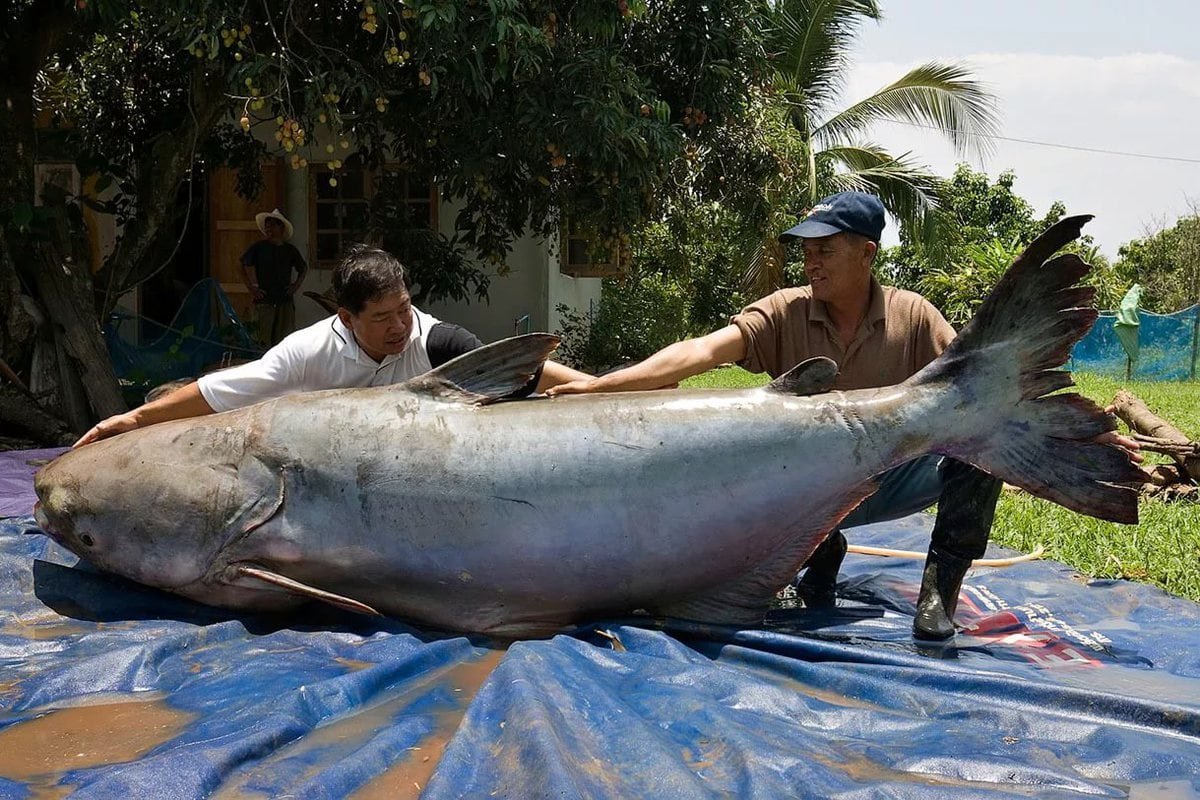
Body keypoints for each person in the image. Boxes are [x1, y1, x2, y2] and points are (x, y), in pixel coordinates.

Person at [548, 191, 1139, 640]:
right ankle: (814, 562)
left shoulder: (913, 316)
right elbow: (700, 352)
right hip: (800, 490)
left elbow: (978, 394)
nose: (812, 262)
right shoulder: (784, 312)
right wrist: (603, 385)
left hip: (892, 477)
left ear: (866, 253)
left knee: (974, 440)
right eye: (807, 251)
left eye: (825, 250)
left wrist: (1058, 441)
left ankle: (940, 590)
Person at [75, 245, 591, 448]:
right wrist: (136, 421)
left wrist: (602, 388)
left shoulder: (437, 342)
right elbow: (219, 393)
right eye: (382, 317)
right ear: (345, 317)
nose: (399, 326)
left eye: (404, 309)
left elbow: (526, 371)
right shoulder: (305, 354)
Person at [243, 208, 308, 346]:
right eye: (267, 225)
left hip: (284, 300)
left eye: (272, 225)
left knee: (284, 341)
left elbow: (303, 269)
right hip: (264, 301)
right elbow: (243, 264)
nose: (268, 228)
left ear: (281, 228)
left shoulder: (289, 250)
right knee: (262, 340)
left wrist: (295, 286)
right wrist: (252, 288)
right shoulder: (258, 248)